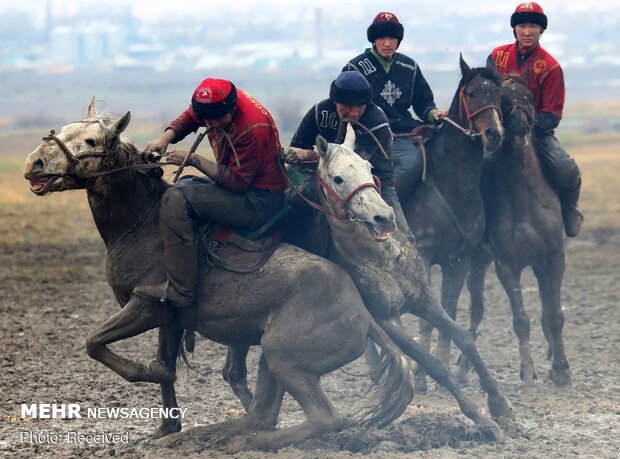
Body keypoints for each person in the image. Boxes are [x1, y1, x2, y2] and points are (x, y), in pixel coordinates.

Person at [134, 78, 287, 308]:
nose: (210, 124)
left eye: (215, 119)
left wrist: (193, 159)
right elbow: (191, 116)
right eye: (205, 119)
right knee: (184, 185)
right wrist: (164, 138)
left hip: (259, 200)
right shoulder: (215, 105)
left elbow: (237, 183)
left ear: (232, 109)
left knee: (175, 198)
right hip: (245, 189)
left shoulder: (252, 129)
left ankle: (181, 289)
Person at [283, 70, 415, 243]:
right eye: (347, 106)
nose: (354, 113)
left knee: (402, 235)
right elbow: (298, 144)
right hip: (325, 179)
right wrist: (293, 154)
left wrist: (307, 155)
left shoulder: (377, 121)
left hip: (372, 181)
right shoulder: (320, 112)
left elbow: (349, 165)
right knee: (287, 207)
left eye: (360, 106)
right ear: (335, 101)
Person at [487, 2, 583, 237]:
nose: (527, 31)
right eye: (522, 25)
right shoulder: (497, 56)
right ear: (514, 29)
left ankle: (569, 210)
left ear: (541, 30)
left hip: (535, 133)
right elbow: (487, 94)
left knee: (566, 168)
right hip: (498, 129)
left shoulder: (550, 67)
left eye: (533, 26)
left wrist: (524, 128)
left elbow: (552, 114)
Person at [343, 11, 445, 197]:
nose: (387, 43)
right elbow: (343, 108)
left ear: (399, 40)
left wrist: (433, 114)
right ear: (373, 39)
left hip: (402, 130)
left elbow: (423, 103)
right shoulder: (356, 68)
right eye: (382, 37)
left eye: (392, 38)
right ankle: (381, 201)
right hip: (367, 135)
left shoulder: (409, 66)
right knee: (411, 162)